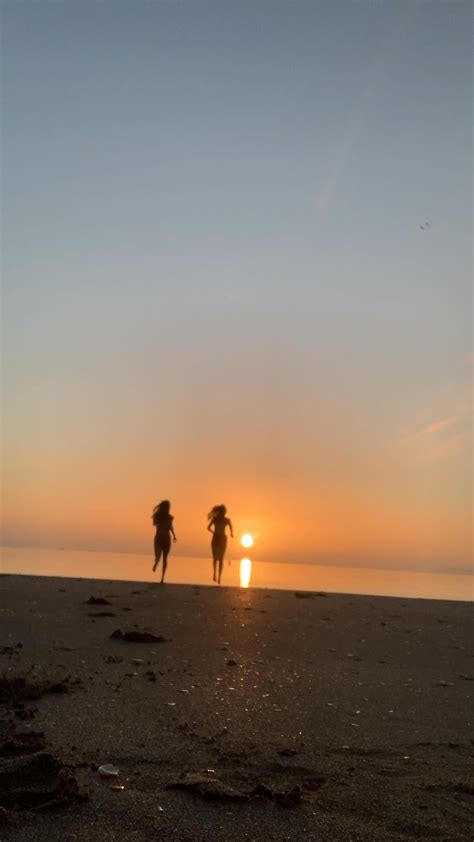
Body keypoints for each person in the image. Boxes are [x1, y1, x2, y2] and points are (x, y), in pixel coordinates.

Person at [207, 504, 233, 584]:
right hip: (221, 538)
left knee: (216, 559)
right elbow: (231, 527)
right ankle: (218, 577)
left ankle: (216, 575)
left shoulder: (217, 519)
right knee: (220, 559)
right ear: (223, 512)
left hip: (217, 538)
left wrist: (214, 532)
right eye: (224, 511)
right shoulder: (226, 520)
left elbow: (208, 528)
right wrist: (232, 533)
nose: (224, 513)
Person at [152, 500, 176, 583]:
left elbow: (154, 524)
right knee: (165, 559)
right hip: (166, 538)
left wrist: (157, 516)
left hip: (158, 537)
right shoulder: (170, 517)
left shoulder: (157, 516)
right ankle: (162, 578)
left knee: (158, 554)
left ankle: (156, 561)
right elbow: (170, 527)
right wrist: (174, 536)